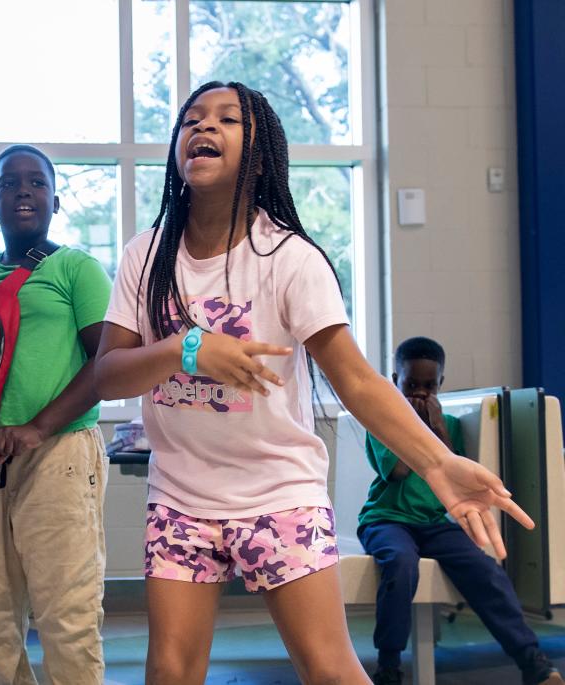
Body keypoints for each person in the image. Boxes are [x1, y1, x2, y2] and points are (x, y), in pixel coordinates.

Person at [95, 81, 534, 685]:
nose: (202, 128)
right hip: (180, 498)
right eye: (190, 120)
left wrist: (437, 464)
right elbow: (105, 375)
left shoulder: (289, 259)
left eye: (226, 119)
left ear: (260, 152)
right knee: (169, 670)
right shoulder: (144, 256)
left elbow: (356, 379)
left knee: (328, 667)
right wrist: (187, 348)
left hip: (279, 494)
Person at [0, 145, 111, 684]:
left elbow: (107, 364)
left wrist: (37, 428)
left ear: (55, 201)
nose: (22, 190)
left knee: (67, 614)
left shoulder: (76, 270)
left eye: (36, 182)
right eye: (8, 183)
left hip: (58, 455)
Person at [359, 336, 563, 685]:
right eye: (411, 385)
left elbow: (452, 469)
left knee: (486, 569)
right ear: (396, 382)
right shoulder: (383, 426)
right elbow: (398, 471)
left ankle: (534, 663)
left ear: (440, 385)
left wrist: (436, 425)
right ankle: (389, 665)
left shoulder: (449, 424)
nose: (421, 394)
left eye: (429, 386)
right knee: (400, 563)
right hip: (386, 520)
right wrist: (416, 425)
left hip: (435, 524)